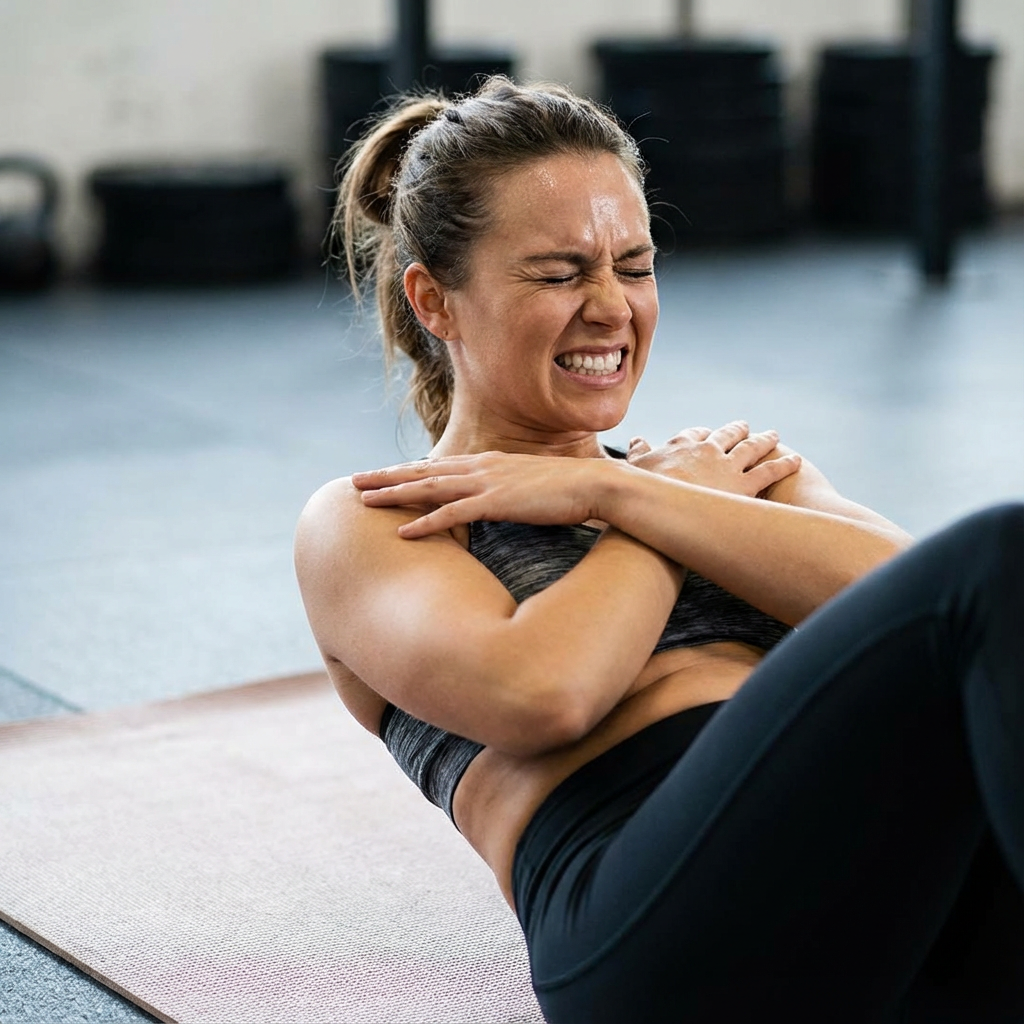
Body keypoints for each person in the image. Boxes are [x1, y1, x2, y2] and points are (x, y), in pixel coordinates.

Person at [294, 77, 1024, 1023]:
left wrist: (619, 487)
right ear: (436, 301)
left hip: (889, 913)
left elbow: (961, 627)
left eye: (633, 267)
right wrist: (656, 504)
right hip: (649, 936)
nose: (610, 308)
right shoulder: (377, 519)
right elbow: (543, 693)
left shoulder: (714, 470)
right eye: (559, 274)